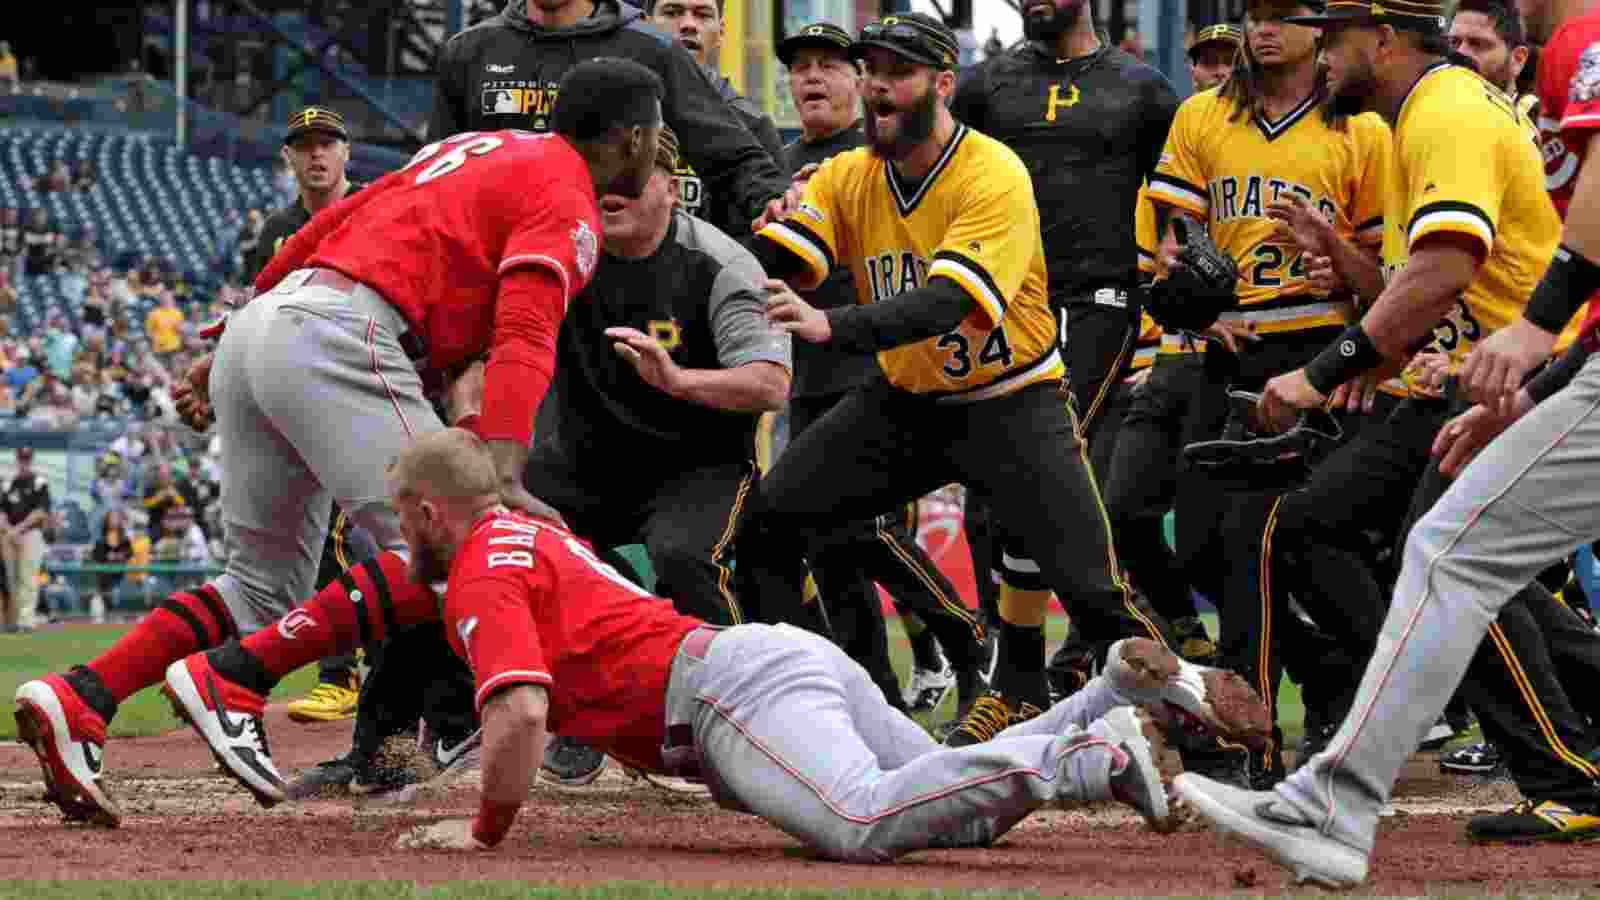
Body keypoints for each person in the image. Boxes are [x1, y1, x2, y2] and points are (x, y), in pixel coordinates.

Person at [11, 58, 670, 829]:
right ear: (634, 138)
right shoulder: (567, 192)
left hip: (284, 314)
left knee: (260, 587)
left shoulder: (487, 148)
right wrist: (503, 463)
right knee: (472, 541)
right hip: (345, 333)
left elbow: (332, 222)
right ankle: (237, 678)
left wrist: (234, 328)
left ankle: (82, 696)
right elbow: (525, 328)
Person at [167, 428, 1270, 853]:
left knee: (860, 826)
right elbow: (447, 629)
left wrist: (486, 832)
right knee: (947, 809)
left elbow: (519, 713)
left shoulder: (478, 574)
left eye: (392, 518)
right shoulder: (516, 532)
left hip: (727, 699)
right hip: (762, 667)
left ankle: (1094, 756)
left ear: (420, 515)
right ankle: (1096, 720)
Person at [1171, 0, 1589, 884]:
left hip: (1506, 373)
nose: (1321, 56)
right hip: (1465, 377)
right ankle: (1405, 728)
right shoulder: (1407, 124)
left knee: (1453, 562)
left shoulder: (1445, 108)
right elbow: (1408, 286)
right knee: (1337, 530)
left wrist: (1319, 374)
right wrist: (1354, 285)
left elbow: (1448, 271)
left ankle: (1559, 766)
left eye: (1336, 39)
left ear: (1386, 42)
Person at [738, 13, 1168, 752]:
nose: (878, 87)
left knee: (1096, 598)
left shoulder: (991, 170)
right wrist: (765, 232)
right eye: (870, 70)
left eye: (898, 72)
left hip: (1011, 402)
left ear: (942, 85)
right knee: (768, 526)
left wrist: (834, 327)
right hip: (908, 404)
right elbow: (792, 259)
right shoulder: (848, 173)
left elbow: (952, 303)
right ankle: (811, 711)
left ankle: (1206, 724)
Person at [946, 0, 1180, 740]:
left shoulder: (1143, 90)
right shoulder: (983, 87)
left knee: (1033, 469)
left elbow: (1179, 213)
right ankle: (1035, 664)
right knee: (995, 495)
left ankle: (1045, 671)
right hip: (1002, 298)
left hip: (1098, 300)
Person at [774, 21, 985, 724]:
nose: (814, 78)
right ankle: (880, 701)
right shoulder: (780, 157)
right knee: (826, 544)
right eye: (801, 65)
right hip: (808, 370)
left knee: (866, 531)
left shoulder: (887, 150)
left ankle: (958, 631)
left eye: (831, 66)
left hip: (879, 371)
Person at [234, 105, 376, 726]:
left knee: (349, 537)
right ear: (287, 158)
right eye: (304, 146)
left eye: (328, 144)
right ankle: (348, 672)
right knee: (328, 540)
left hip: (372, 380)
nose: (317, 155)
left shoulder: (376, 208)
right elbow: (258, 311)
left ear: (347, 153)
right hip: (301, 391)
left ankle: (351, 673)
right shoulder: (275, 230)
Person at [428, 0, 790, 240]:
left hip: (615, 291)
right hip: (502, 286)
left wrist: (776, 200)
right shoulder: (468, 52)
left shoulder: (652, 50)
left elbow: (733, 158)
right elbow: (436, 182)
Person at [647, 0, 786, 226]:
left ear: (721, 32)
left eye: (702, 15)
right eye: (673, 12)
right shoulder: (618, 108)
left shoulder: (753, 124)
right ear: (646, 24)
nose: (689, 25)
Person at [2, 447, 50, 633]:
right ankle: (11, 620)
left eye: (27, 459)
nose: (24, 463)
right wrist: (10, 531)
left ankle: (26, 620)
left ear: (31, 461)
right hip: (9, 534)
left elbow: (40, 512)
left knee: (28, 577)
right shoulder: (8, 483)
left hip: (31, 534)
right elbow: (1, 510)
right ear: (17, 460)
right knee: (10, 578)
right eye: (21, 459)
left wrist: (19, 530)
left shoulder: (39, 482)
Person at [145, 290, 184, 356]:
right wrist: (156, 339)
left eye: (169, 299)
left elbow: (181, 330)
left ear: (172, 300)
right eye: (164, 298)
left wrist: (180, 329)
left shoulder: (178, 313)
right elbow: (148, 332)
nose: (167, 300)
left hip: (175, 347)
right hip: (160, 348)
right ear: (160, 300)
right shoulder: (153, 314)